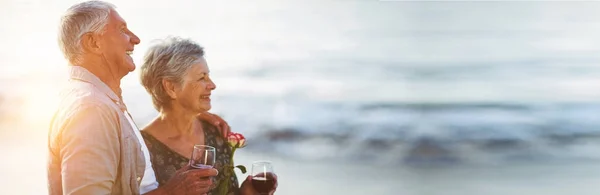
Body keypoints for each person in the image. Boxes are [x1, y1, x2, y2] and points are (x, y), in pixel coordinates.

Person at [48, 1, 230, 194]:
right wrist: (172, 192)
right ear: (93, 42)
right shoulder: (91, 110)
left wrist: (188, 114)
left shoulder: (100, 103)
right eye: (122, 29)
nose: (135, 39)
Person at [138, 37, 278, 195]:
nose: (212, 85)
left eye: (208, 76)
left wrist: (246, 192)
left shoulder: (216, 132)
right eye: (201, 78)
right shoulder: (142, 149)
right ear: (171, 87)